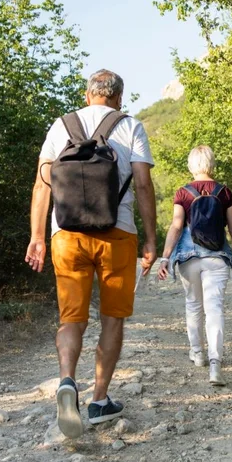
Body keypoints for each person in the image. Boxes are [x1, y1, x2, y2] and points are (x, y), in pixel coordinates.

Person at [25, 69, 157, 438]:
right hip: (117, 233)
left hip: (66, 235)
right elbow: (144, 185)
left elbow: (42, 183)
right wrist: (151, 239)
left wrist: (37, 237)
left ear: (87, 95)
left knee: (71, 319)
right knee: (112, 318)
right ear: (118, 98)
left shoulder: (61, 126)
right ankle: (99, 399)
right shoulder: (131, 126)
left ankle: (68, 381)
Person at [157, 146, 232, 386]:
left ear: (191, 165)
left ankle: (197, 353)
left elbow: (176, 227)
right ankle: (215, 363)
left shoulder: (183, 193)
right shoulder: (224, 192)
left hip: (188, 257)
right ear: (212, 163)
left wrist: (165, 257)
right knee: (214, 308)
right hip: (217, 257)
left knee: (193, 305)